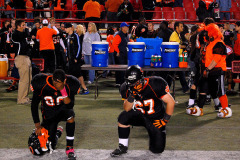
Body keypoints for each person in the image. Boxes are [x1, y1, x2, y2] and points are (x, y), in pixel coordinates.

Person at [110, 65, 175, 157]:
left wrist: (165, 120)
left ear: (142, 79)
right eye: (131, 83)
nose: (134, 86)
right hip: (139, 114)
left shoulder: (155, 83)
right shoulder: (125, 88)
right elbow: (127, 108)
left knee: (157, 150)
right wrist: (132, 96)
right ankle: (122, 146)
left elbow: (171, 102)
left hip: (155, 118)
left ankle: (158, 134)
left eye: (136, 83)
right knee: (123, 117)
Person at [31, 69, 80, 160]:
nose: (56, 84)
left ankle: (69, 148)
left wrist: (63, 91)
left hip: (63, 110)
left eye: (59, 82)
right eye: (55, 82)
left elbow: (70, 105)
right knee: (49, 146)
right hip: (49, 113)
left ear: (65, 81)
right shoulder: (41, 83)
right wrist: (37, 125)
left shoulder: (71, 83)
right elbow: (34, 105)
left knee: (71, 117)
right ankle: (57, 134)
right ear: (52, 79)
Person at [186, 23, 232, 118]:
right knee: (203, 89)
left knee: (220, 91)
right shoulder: (210, 43)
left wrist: (207, 69)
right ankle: (199, 108)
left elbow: (216, 59)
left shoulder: (219, 43)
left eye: (207, 32)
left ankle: (225, 109)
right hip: (208, 71)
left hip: (218, 70)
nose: (206, 34)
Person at [11, 19, 32, 105]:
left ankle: (25, 97)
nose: (24, 27)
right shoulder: (15, 34)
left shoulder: (22, 34)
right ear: (18, 26)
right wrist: (27, 31)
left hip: (26, 57)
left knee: (28, 79)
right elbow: (23, 36)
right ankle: (21, 99)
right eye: (23, 25)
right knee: (24, 79)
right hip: (21, 58)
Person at [65, 23, 89, 94]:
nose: (65, 29)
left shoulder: (75, 36)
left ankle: (85, 88)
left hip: (75, 59)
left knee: (78, 74)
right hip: (70, 59)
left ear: (70, 28)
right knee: (71, 74)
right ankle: (72, 88)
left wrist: (76, 57)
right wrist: (67, 56)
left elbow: (79, 47)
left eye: (66, 28)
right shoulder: (67, 37)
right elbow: (67, 47)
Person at [169, 21, 189, 93]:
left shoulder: (178, 34)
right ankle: (185, 88)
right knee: (172, 74)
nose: (182, 27)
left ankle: (185, 88)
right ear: (177, 27)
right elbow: (172, 45)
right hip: (174, 57)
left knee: (180, 73)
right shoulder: (174, 34)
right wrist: (183, 46)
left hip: (177, 56)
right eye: (181, 26)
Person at [112, 22, 131, 86]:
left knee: (123, 69)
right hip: (120, 54)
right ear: (122, 28)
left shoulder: (126, 35)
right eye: (126, 27)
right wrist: (118, 52)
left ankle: (121, 82)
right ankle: (119, 82)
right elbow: (114, 44)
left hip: (124, 54)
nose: (127, 28)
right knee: (120, 69)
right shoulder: (118, 35)